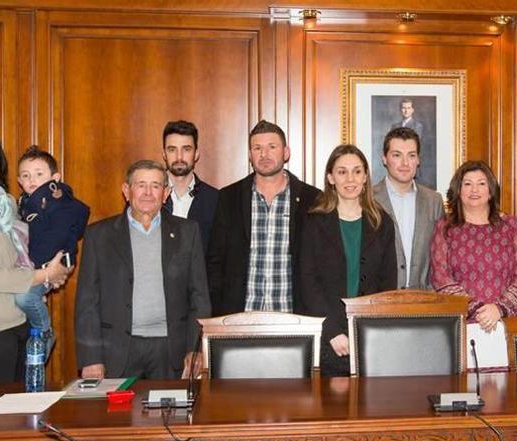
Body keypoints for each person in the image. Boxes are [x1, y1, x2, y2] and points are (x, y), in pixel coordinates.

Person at [75, 160, 210, 379]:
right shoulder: (99, 235)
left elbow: (199, 296)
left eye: (155, 186)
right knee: (117, 414)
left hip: (170, 350)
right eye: (141, 185)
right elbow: (87, 301)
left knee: (172, 414)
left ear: (165, 193)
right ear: (126, 190)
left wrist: (195, 348)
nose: (148, 192)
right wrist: (90, 358)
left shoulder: (188, 232)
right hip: (117, 351)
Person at [0, 129, 69, 391]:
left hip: (23, 320)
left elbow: (30, 253)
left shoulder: (9, 205)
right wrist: (45, 275)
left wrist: (55, 267)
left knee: (24, 410)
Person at [298, 144, 397, 376]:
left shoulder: (382, 223)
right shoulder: (314, 222)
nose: (350, 179)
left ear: (365, 177)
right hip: (327, 336)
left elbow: (388, 283)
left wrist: (370, 330)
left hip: (370, 336)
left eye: (357, 171)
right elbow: (307, 282)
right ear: (331, 178)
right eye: (342, 172)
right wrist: (332, 331)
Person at [207, 120, 320, 316]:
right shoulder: (228, 198)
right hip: (240, 318)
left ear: (286, 152)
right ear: (250, 155)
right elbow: (215, 262)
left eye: (272, 147)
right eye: (257, 148)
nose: (264, 154)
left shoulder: (313, 199)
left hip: (295, 318)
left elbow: (321, 264)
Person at [430, 160, 517, 368]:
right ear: (458, 190)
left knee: (502, 394)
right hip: (461, 326)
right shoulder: (445, 228)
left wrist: (499, 308)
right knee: (463, 393)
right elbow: (440, 277)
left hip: (503, 325)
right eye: (467, 184)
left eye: (481, 183)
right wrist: (478, 309)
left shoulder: (509, 225)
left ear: (491, 190)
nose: (474, 190)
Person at [16, 145, 90, 362]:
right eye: (26, 175)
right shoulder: (25, 203)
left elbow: (61, 231)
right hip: (36, 265)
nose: (32, 180)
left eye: (39, 174)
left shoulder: (57, 202)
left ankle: (45, 331)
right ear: (19, 181)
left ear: (54, 178)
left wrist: (40, 265)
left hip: (52, 262)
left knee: (24, 297)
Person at [372, 127, 444, 289]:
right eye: (397, 155)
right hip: (379, 301)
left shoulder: (434, 201)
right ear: (384, 159)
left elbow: (440, 256)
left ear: (418, 160)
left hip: (424, 303)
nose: (405, 163)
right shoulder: (368, 200)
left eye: (411, 155)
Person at [161, 120, 218, 249]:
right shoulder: (146, 196)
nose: (179, 157)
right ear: (164, 154)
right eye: (172, 150)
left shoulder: (215, 200)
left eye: (186, 149)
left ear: (196, 154)